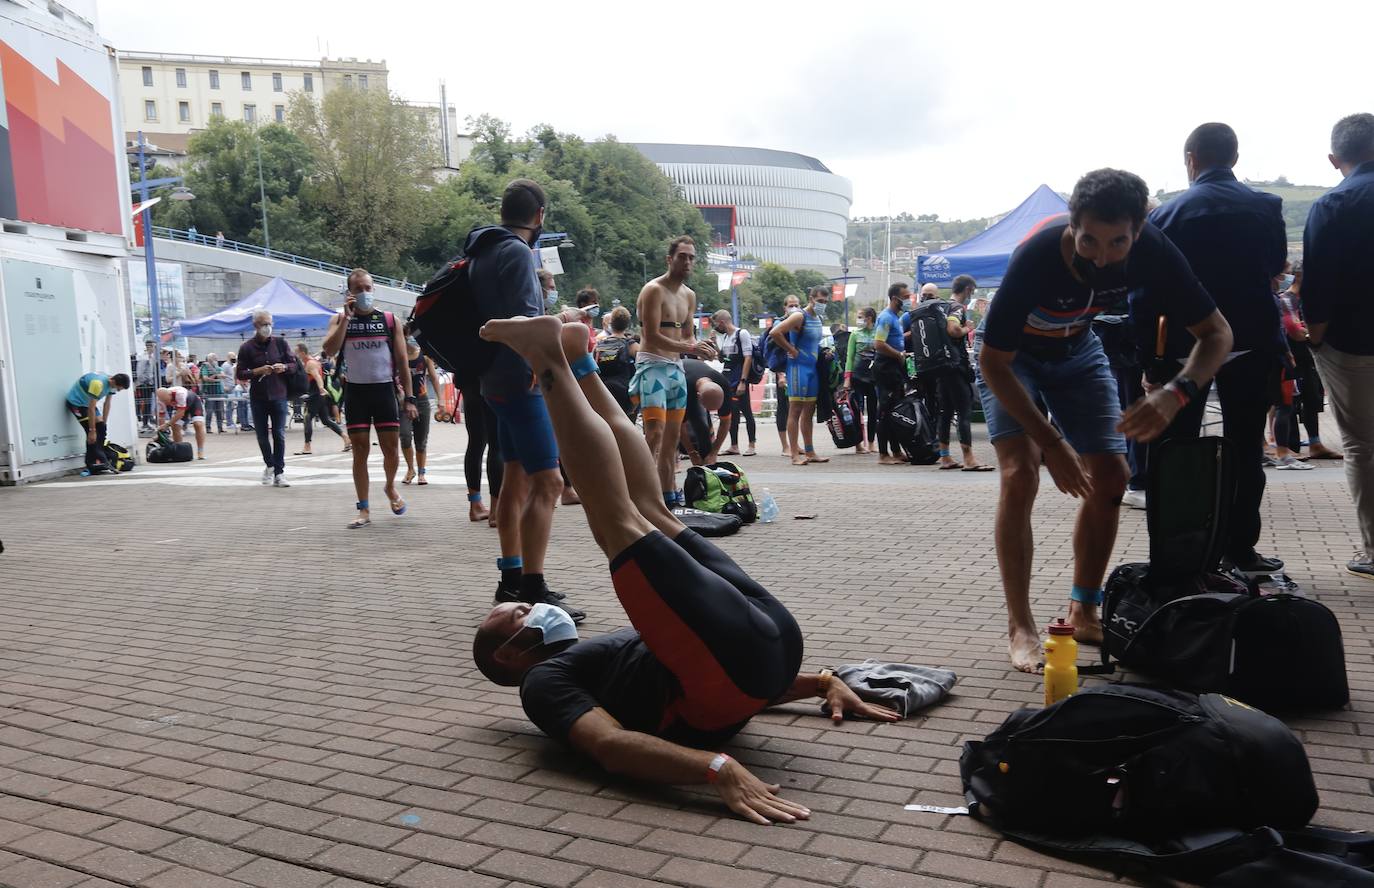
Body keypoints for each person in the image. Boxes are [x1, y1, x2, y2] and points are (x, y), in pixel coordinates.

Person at [472, 314, 901, 823]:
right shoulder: (543, 686)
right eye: (518, 614)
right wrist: (714, 767)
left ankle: (573, 360)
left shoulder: (595, 660)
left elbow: (703, 661)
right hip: (752, 656)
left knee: (645, 510)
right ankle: (555, 358)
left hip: (757, 654)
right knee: (619, 515)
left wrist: (823, 682)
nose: (531, 606)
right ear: (508, 654)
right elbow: (610, 745)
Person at [976, 168, 1233, 673]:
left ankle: (1085, 606)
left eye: (1118, 243)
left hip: (1077, 352)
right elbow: (992, 362)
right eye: (1089, 239)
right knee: (1019, 472)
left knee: (1112, 476)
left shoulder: (1155, 250)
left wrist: (1175, 394)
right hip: (1012, 359)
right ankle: (1021, 626)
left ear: (1138, 229)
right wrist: (1051, 442)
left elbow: (1217, 334)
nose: (1101, 255)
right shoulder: (1038, 256)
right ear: (1072, 224)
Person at [1148, 123, 1290, 575]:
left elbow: (1147, 293)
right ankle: (1240, 548)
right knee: (1246, 446)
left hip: (1185, 348)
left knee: (1177, 450)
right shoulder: (1266, 207)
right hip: (1251, 341)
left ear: (1191, 159)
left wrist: (1151, 360)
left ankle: (1179, 550)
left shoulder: (1165, 216)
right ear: (1234, 157)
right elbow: (1274, 269)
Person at [468, 178, 583, 620]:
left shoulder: (482, 251)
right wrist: (543, 358)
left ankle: (510, 578)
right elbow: (522, 320)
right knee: (549, 482)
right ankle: (534, 586)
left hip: (493, 378)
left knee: (514, 477)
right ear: (539, 217)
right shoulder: (517, 252)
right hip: (522, 378)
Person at [1302, 112, 1374, 580]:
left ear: (1334, 159)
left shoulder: (1333, 205)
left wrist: (1316, 335)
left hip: (1353, 344)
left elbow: (1319, 285)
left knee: (1362, 445)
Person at [323, 268, 417, 528]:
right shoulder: (340, 319)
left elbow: (401, 360)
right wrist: (346, 320)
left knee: (390, 450)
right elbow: (329, 349)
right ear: (349, 293)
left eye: (368, 288)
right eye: (359, 289)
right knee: (360, 451)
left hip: (384, 390)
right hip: (357, 392)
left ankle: (389, 487)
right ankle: (363, 508)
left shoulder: (389, 320)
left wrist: (409, 398)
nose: (364, 293)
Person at [632, 235, 717, 506]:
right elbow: (651, 335)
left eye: (692, 257)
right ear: (670, 259)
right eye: (683, 256)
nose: (688, 262)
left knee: (672, 439)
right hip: (652, 368)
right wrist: (690, 348)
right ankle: (640, 492)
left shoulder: (689, 295)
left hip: (675, 370)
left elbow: (688, 338)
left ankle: (668, 495)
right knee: (653, 434)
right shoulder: (653, 290)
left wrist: (701, 347)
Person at [931, 277, 992, 471]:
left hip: (940, 366)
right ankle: (969, 458)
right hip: (955, 366)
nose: (971, 296)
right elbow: (953, 329)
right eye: (972, 292)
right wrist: (968, 328)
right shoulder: (957, 308)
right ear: (967, 289)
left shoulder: (941, 306)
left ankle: (945, 457)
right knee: (964, 410)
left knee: (946, 412)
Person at [235, 309, 296, 487]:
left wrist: (283, 367)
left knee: (279, 434)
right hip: (258, 397)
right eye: (263, 324)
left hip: (279, 395)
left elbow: (293, 365)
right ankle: (270, 464)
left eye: (269, 324)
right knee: (262, 436)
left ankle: (279, 472)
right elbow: (240, 373)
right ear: (255, 325)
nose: (267, 328)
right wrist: (257, 371)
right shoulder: (246, 347)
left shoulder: (280, 343)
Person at [770, 285, 830, 465]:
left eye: (825, 302)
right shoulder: (799, 315)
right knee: (795, 411)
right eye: (820, 301)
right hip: (798, 369)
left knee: (809, 412)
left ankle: (810, 451)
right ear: (811, 299)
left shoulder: (817, 318)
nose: (822, 305)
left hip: (812, 370)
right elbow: (775, 332)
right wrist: (791, 349)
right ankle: (794, 454)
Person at [874, 284, 911, 465]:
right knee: (885, 411)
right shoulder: (886, 318)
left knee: (895, 411)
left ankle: (896, 451)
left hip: (895, 367)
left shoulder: (896, 318)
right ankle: (883, 454)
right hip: (886, 368)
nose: (908, 300)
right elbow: (879, 344)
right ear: (895, 298)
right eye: (905, 296)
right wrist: (898, 355)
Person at [712, 310, 757, 457]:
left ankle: (751, 444)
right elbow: (722, 359)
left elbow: (748, 358)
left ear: (722, 323)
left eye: (716, 325)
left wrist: (743, 381)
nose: (716, 328)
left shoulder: (741, 334)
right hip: (727, 379)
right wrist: (715, 344)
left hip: (739, 378)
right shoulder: (726, 337)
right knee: (732, 412)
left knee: (746, 410)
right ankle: (734, 445)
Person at [399, 336, 442, 485]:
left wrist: (440, 400)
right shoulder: (397, 357)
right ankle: (410, 469)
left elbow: (434, 378)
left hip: (422, 401)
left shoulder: (424, 355)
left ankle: (421, 473)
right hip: (403, 402)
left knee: (421, 440)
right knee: (404, 435)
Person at [66, 371, 129, 469]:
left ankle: (99, 459)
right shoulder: (98, 384)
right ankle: (92, 463)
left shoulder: (111, 384)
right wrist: (92, 431)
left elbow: (107, 404)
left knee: (101, 428)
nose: (118, 390)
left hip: (87, 403)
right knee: (91, 434)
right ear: (115, 383)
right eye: (119, 389)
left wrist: (104, 423)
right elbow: (91, 408)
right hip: (77, 403)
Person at [293, 342, 346, 455]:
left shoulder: (310, 364)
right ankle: (346, 438)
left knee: (307, 418)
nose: (296, 355)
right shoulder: (313, 361)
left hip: (315, 395)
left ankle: (307, 446)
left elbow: (317, 376)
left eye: (297, 353)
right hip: (319, 395)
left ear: (302, 353)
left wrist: (321, 388)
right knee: (326, 420)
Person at [840, 306, 879, 454]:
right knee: (857, 410)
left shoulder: (878, 332)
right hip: (857, 376)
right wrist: (847, 379)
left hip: (873, 377)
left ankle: (871, 443)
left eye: (861, 316)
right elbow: (849, 358)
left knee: (873, 410)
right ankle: (858, 444)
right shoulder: (855, 334)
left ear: (869, 318)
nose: (858, 320)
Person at [680, 358, 733, 465]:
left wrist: (714, 452)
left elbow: (726, 422)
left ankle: (707, 465)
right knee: (695, 425)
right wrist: (692, 454)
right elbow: (680, 426)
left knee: (705, 436)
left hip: (698, 379)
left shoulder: (723, 384)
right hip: (678, 377)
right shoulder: (684, 389)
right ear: (699, 397)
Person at [592, 306, 638, 418]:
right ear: (627, 324)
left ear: (611, 323)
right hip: (625, 394)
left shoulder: (599, 345)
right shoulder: (632, 346)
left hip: (603, 392)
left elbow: (593, 369)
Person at [772, 295, 802, 456]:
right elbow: (777, 353)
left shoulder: (799, 321)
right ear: (785, 307)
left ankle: (795, 444)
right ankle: (785, 446)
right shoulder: (779, 324)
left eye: (796, 305)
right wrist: (780, 375)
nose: (794, 308)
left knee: (796, 408)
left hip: (796, 369)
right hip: (783, 371)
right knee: (783, 408)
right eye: (791, 305)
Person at [155, 385, 207, 459]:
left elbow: (181, 413)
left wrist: (167, 425)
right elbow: (161, 416)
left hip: (193, 403)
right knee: (175, 426)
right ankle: (179, 451)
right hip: (180, 407)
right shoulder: (160, 400)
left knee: (198, 424)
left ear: (169, 394)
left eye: (167, 401)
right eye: (164, 401)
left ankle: (200, 450)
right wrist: (161, 431)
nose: (166, 403)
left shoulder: (179, 394)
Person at [199, 353, 226, 434]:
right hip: (209, 391)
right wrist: (216, 376)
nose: (216, 359)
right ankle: (208, 428)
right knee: (209, 411)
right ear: (209, 359)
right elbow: (205, 378)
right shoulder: (205, 367)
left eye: (216, 358)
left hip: (219, 392)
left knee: (220, 410)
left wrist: (213, 377)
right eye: (214, 358)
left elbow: (223, 376)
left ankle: (220, 428)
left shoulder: (218, 367)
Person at [134, 342, 159, 431]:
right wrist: (145, 380)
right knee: (145, 403)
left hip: (150, 383)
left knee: (149, 403)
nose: (153, 348)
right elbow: (140, 372)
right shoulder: (143, 357)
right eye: (152, 346)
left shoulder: (151, 357)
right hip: (144, 384)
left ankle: (147, 421)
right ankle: (144, 423)